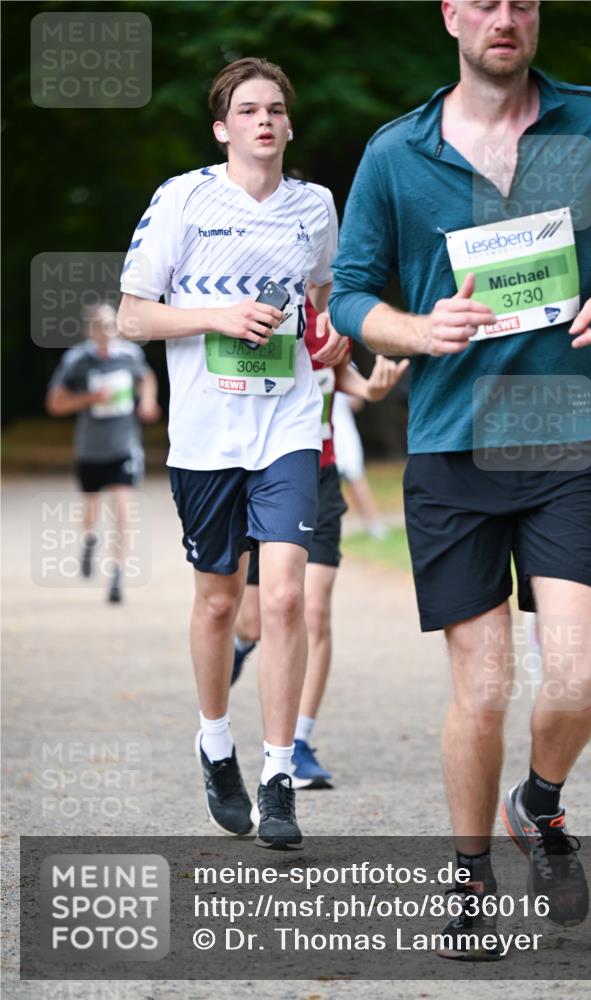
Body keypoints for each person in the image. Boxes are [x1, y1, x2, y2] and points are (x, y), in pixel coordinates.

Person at [329, 0, 591, 958]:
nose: (504, 17)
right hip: (450, 443)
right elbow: (352, 289)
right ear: (451, 16)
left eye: (522, 1)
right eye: (484, 1)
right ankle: (468, 879)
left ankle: (540, 804)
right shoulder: (398, 151)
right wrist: (415, 330)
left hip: (567, 435)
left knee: (576, 675)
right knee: (480, 691)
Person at [117, 57, 347, 850]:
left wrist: (334, 329)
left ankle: (278, 774)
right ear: (223, 127)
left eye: (275, 110)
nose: (263, 121)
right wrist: (216, 317)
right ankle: (215, 743)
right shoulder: (183, 198)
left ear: (287, 124)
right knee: (220, 600)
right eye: (247, 110)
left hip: (285, 426)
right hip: (206, 434)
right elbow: (132, 318)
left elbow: (320, 298)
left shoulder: (315, 208)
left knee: (283, 596)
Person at [232, 299, 408, 788]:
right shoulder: (263, 304)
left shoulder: (333, 313)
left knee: (311, 610)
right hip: (264, 474)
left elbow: (338, 375)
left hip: (321, 477)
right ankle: (242, 645)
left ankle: (299, 742)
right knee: (252, 618)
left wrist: (367, 385)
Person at [45, 302, 160, 603]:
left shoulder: (130, 355)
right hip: (91, 449)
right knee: (91, 508)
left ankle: (117, 575)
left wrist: (148, 401)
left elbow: (147, 378)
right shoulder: (77, 361)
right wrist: (90, 398)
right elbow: (55, 403)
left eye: (112, 325)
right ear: (90, 330)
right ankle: (89, 539)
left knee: (123, 510)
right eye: (101, 326)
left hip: (125, 447)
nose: (107, 331)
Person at [333, 391, 388, 539]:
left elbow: (356, 403)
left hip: (343, 434)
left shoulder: (345, 366)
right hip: (320, 435)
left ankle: (373, 525)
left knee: (356, 480)